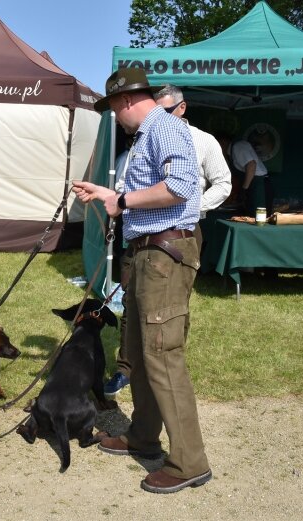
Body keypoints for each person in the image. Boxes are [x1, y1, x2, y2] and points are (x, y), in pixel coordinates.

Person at [72, 68, 211, 494]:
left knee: (162, 354)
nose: (115, 115)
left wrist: (122, 199)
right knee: (142, 352)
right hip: (149, 253)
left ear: (125, 101)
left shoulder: (163, 127)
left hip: (165, 255)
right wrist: (110, 197)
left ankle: (189, 462)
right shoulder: (151, 133)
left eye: (113, 107)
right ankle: (145, 437)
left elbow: (184, 185)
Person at [104, 84, 231, 396]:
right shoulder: (143, 136)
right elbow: (130, 182)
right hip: (140, 235)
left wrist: (189, 208)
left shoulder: (202, 140)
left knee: (169, 310)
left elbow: (222, 184)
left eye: (165, 111)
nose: (155, 117)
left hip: (178, 235)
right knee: (131, 301)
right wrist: (122, 199)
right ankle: (127, 368)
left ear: (182, 108)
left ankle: (165, 369)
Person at [215, 132, 274, 216]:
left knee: (258, 216)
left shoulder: (238, 146)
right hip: (253, 185)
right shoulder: (230, 153)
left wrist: (244, 189)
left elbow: (251, 165)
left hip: (259, 186)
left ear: (223, 142)